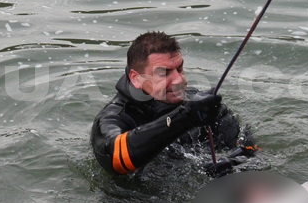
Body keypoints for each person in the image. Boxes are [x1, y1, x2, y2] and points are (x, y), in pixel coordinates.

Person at [90, 31, 254, 177]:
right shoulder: (112, 119)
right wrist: (185, 117)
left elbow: (250, 150)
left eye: (179, 69)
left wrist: (233, 162)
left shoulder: (200, 105)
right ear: (136, 78)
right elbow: (116, 158)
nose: (178, 80)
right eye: (164, 73)